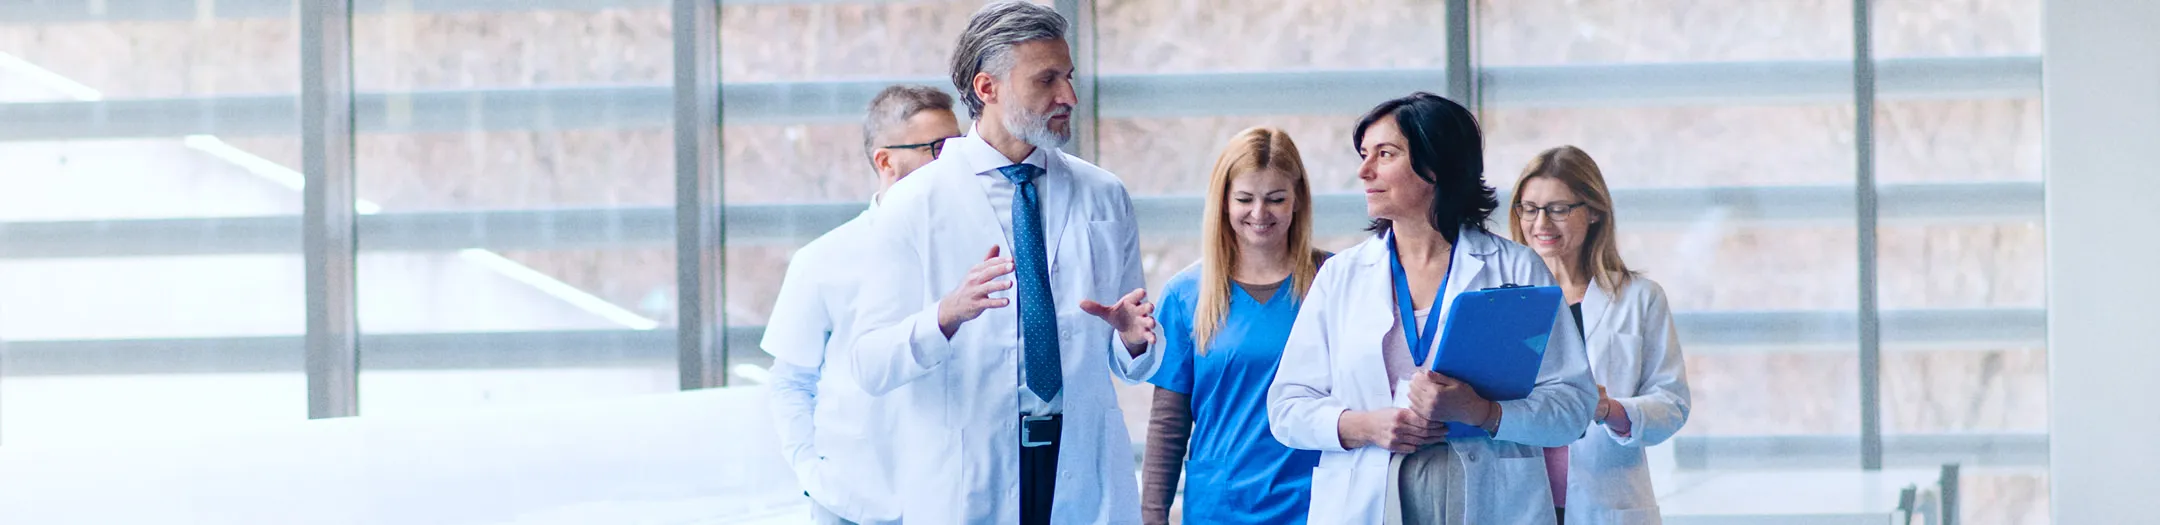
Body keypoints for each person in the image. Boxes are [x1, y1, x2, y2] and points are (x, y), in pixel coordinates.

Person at [846, 2, 1160, 524]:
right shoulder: (914, 204)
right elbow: (869, 364)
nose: (1069, 98)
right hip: (970, 472)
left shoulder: (1104, 194)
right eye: (1047, 80)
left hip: (1081, 462)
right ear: (987, 87)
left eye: (1069, 77)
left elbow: (1138, 356)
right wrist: (944, 315)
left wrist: (1133, 339)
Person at [1265, 92, 1597, 525]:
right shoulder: (1341, 276)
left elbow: (1573, 409)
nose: (1364, 171)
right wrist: (1364, 426)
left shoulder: (1516, 269)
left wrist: (1484, 412)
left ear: (1436, 165)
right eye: (1365, 155)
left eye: (1385, 154)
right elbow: (1287, 407)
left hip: (1489, 497)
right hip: (1368, 495)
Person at [761, 85, 962, 525]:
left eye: (960, 146)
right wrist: (812, 474)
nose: (955, 161)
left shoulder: (974, 250)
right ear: (885, 161)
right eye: (937, 148)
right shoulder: (822, 260)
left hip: (954, 499)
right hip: (852, 504)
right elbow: (790, 381)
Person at [1141, 127, 1327, 525]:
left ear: (1298, 200)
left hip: (1316, 502)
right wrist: (1152, 515)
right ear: (1223, 201)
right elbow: (1169, 423)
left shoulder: (1333, 281)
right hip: (1221, 507)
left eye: (1276, 199)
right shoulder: (1186, 295)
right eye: (1245, 199)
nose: (1260, 214)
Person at [1509, 146, 1691, 525]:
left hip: (1606, 502)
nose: (1541, 222)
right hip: (1518, 497)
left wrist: (1611, 410)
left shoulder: (1640, 298)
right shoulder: (1500, 299)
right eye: (1529, 208)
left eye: (1558, 209)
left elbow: (1672, 403)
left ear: (1593, 211)